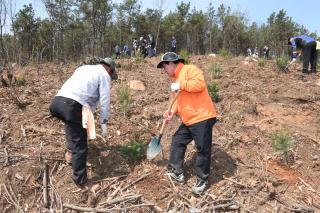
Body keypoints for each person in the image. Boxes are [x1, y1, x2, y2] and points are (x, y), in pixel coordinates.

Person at [49, 57, 117, 188]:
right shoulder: (104, 74)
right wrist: (103, 122)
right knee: (80, 144)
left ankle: (69, 153)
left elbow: (82, 92)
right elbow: (104, 101)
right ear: (109, 68)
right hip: (72, 105)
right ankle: (81, 181)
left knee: (72, 126)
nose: (110, 76)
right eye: (111, 73)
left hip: (57, 103)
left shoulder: (83, 68)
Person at [157, 52, 217, 195]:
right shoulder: (174, 81)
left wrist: (181, 84)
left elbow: (200, 84)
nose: (164, 71)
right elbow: (176, 102)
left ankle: (202, 179)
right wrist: (171, 111)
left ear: (171, 63)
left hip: (202, 117)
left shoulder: (190, 69)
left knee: (202, 149)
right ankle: (177, 171)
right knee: (177, 140)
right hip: (188, 119)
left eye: (164, 67)